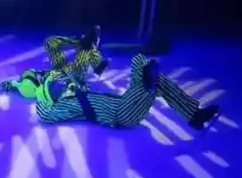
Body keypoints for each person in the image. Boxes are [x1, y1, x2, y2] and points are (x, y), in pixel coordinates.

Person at [34, 53, 220, 130]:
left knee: (157, 78)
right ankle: (147, 80)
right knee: (141, 64)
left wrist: (65, 80)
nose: (57, 85)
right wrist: (41, 97)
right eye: (53, 88)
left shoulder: (76, 92)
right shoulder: (64, 105)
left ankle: (194, 115)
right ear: (51, 97)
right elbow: (45, 115)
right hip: (121, 114)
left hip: (127, 104)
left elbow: (72, 77)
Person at [0, 26, 110, 98]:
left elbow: (9, 84)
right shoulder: (45, 89)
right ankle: (94, 58)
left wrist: (11, 84)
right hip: (72, 78)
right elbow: (76, 90)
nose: (36, 74)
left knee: (49, 42)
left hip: (61, 69)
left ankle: (80, 43)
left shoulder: (36, 79)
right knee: (85, 51)